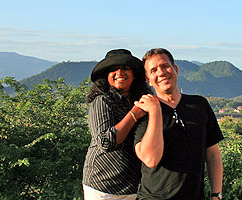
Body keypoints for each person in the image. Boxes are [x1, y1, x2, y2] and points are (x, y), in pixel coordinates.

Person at [134, 48, 224, 200]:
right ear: (148, 80)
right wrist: (155, 110)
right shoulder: (143, 110)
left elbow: (213, 153)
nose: (161, 73)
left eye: (165, 66)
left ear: (175, 69)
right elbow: (150, 159)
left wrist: (217, 194)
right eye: (153, 70)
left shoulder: (200, 105)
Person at [82, 49, 162, 200]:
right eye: (113, 69)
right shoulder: (102, 101)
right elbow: (106, 141)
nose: (120, 72)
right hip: (103, 186)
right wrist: (134, 114)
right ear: (106, 76)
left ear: (134, 75)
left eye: (125, 68)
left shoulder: (140, 101)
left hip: (133, 186)